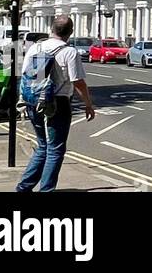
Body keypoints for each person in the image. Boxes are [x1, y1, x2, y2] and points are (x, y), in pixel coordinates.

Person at [17, 16, 94, 192]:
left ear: (52, 29)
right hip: (57, 103)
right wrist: (88, 104)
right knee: (55, 149)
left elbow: (25, 75)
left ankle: (23, 188)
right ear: (71, 32)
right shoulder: (69, 52)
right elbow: (78, 81)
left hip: (33, 100)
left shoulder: (35, 47)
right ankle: (46, 190)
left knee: (43, 146)